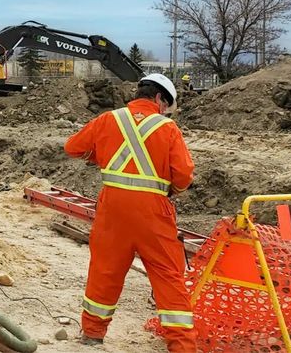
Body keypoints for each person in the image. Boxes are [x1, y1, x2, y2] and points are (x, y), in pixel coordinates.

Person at [64, 73, 196, 352]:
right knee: (167, 275)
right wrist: (172, 189)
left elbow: (72, 148)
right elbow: (184, 176)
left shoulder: (109, 119)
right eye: (165, 105)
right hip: (153, 211)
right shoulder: (168, 127)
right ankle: (182, 345)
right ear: (160, 98)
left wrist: (99, 156)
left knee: (105, 270)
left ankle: (92, 334)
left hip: (112, 207)